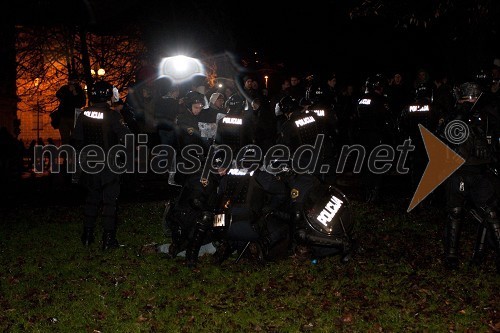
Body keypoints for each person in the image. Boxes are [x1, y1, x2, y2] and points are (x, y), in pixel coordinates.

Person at [440, 81, 500, 272]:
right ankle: (451, 255)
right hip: (458, 171)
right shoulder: (455, 114)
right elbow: (446, 135)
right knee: (455, 212)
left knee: (490, 212)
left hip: (481, 172)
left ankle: (482, 253)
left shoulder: (487, 114)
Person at [72, 80, 131, 250]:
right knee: (109, 202)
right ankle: (108, 239)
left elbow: (77, 141)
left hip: (90, 165)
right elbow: (126, 138)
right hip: (109, 165)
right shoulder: (113, 115)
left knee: (91, 199)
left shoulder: (83, 115)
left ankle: (88, 236)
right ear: (108, 96)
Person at [55, 72, 87, 145]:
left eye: (74, 81)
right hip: (64, 116)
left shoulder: (80, 90)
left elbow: (82, 103)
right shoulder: (65, 88)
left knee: (74, 138)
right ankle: (66, 152)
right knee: (65, 138)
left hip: (74, 117)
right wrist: (68, 92)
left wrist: (75, 93)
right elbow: (58, 95)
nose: (72, 83)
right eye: (71, 81)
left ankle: (73, 151)